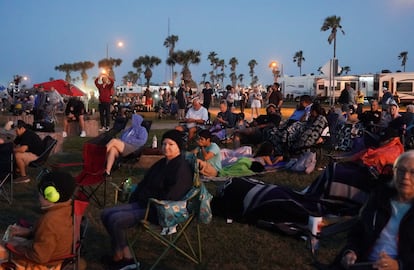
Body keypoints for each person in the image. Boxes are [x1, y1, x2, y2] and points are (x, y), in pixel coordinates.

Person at [100, 130, 193, 269]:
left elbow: (173, 195)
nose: (166, 147)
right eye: (164, 143)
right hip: (143, 203)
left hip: (158, 210)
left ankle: (126, 259)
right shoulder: (161, 163)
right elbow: (145, 182)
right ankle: (122, 255)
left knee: (116, 221)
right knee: (105, 214)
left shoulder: (181, 168)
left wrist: (150, 199)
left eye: (171, 144)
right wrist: (136, 197)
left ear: (179, 147)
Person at [334, 150, 414, 270]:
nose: (405, 177)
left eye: (413, 172)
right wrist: (351, 251)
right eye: (401, 170)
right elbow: (358, 229)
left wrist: (399, 265)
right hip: (362, 263)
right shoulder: (380, 197)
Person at [0, 171, 76, 269]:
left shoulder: (50, 221)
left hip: (42, 264)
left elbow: (39, 257)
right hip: (52, 255)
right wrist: (28, 232)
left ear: (52, 195)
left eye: (41, 193)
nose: (38, 196)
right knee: (5, 239)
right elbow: (50, 237)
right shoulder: (66, 209)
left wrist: (16, 248)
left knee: (3, 245)